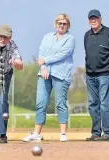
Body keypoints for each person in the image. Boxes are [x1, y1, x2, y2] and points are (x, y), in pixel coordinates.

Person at [23, 14, 75, 142]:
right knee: (41, 102)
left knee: (60, 103)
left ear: (68, 25)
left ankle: (63, 133)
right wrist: (43, 67)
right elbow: (41, 53)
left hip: (61, 74)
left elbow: (63, 54)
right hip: (44, 73)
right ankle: (37, 133)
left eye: (64, 24)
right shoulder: (47, 37)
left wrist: (45, 60)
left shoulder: (70, 38)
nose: (62, 25)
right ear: (55, 24)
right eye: (59, 23)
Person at [84, 9, 109, 141]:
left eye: (95, 18)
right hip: (90, 75)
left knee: (104, 104)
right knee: (92, 104)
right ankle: (96, 132)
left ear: (100, 19)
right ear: (88, 20)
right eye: (91, 18)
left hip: (106, 74)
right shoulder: (87, 35)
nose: (93, 20)